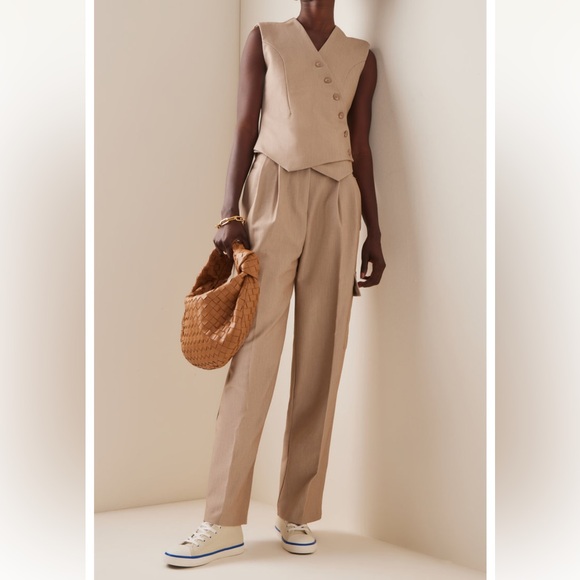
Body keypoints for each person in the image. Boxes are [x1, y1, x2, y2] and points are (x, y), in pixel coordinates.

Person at [165, 0, 385, 567]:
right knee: (254, 352)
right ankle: (221, 520)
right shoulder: (264, 38)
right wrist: (228, 211)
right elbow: (245, 125)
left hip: (338, 201)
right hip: (272, 192)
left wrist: (374, 233)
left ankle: (297, 509)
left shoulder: (362, 56)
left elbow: (361, 145)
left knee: (323, 355)